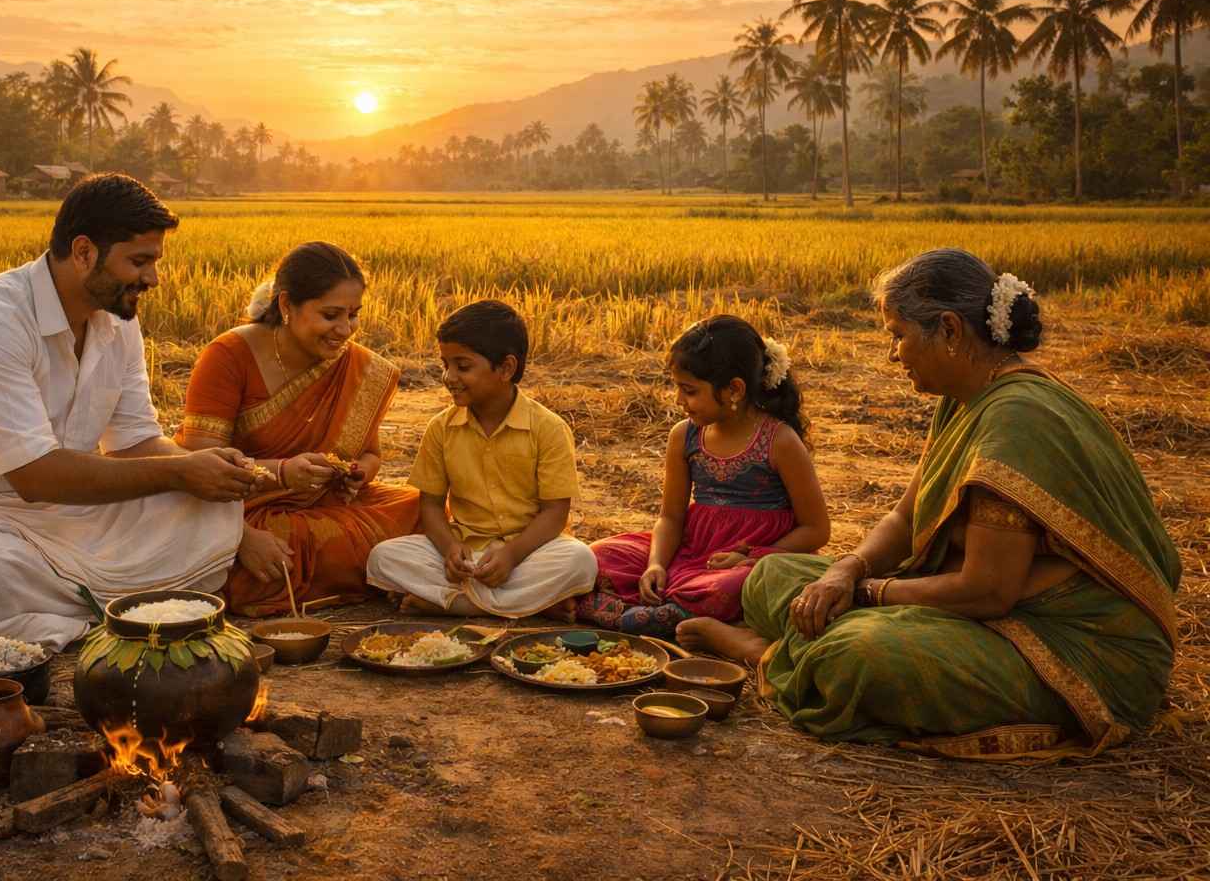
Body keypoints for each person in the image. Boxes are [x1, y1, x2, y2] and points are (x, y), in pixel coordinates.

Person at [681, 249, 1180, 759]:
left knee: (854, 656)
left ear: (948, 329)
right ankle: (802, 643)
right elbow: (903, 517)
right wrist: (845, 573)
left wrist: (868, 594)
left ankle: (765, 651)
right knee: (772, 574)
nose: (893, 354)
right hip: (978, 608)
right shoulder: (964, 400)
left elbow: (987, 593)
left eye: (898, 335)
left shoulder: (1016, 421)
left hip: (1064, 643)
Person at [0, 174, 257, 650]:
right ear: (84, 251)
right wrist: (180, 473)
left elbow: (133, 442)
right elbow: (36, 477)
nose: (153, 278)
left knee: (211, 512)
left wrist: (205, 477)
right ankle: (103, 615)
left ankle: (92, 604)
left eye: (154, 262)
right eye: (139, 261)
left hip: (61, 515)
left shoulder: (117, 320)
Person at [174, 242, 419, 616]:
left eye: (353, 315)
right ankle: (381, 573)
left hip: (325, 503)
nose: (345, 330)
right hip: (235, 510)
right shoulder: (228, 356)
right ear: (286, 306)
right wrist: (245, 530)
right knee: (271, 555)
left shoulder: (358, 367)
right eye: (331, 315)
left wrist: (358, 474)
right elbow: (200, 463)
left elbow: (371, 453)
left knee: (420, 509)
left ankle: (372, 569)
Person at [576, 316, 829, 638]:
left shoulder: (779, 441)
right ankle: (658, 616)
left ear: (734, 389)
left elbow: (816, 529)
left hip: (750, 559)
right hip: (691, 547)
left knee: (730, 586)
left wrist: (749, 557)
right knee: (597, 555)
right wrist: (656, 564)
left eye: (690, 390)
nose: (679, 400)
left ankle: (634, 615)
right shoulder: (685, 436)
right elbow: (670, 517)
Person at [366, 300, 597, 618]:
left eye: (462, 366)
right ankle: (527, 605)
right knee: (383, 557)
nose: (449, 377)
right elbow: (431, 504)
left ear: (505, 368)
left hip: (528, 553)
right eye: (444, 364)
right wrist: (449, 548)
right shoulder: (441, 428)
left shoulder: (549, 429)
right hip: (466, 554)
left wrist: (512, 555)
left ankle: (457, 605)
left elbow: (555, 513)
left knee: (580, 560)